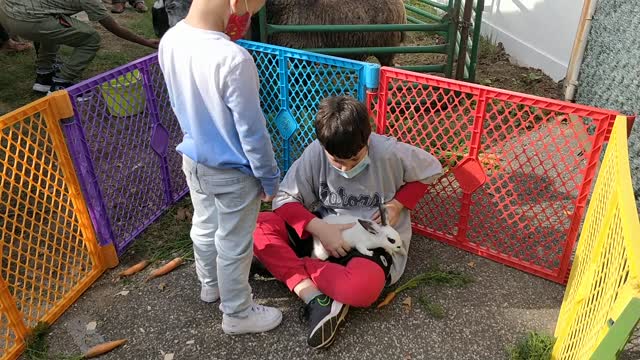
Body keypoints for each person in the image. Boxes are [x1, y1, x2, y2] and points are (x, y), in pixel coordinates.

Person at [252, 95, 444, 349]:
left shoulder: (388, 152)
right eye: (337, 161)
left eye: (355, 159)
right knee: (258, 227)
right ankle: (316, 297)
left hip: (370, 242)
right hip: (323, 231)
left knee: (363, 289)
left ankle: (288, 269)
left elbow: (432, 169)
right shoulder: (315, 154)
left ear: (367, 138)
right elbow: (284, 199)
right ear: (323, 147)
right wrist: (320, 228)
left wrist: (398, 204)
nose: (346, 168)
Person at [158, 0, 282, 335]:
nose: (246, 18)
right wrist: (269, 177)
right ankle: (238, 313)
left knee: (204, 223)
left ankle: (209, 284)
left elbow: (176, 101)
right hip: (234, 173)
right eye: (250, 9)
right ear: (235, 2)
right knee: (234, 244)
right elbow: (252, 131)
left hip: (194, 160)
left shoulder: (170, 39)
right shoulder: (233, 58)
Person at [0, 0, 159, 93]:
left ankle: (44, 76)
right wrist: (145, 42)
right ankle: (62, 83)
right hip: (27, 19)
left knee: (54, 26)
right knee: (91, 38)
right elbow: (113, 28)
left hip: (7, 13)